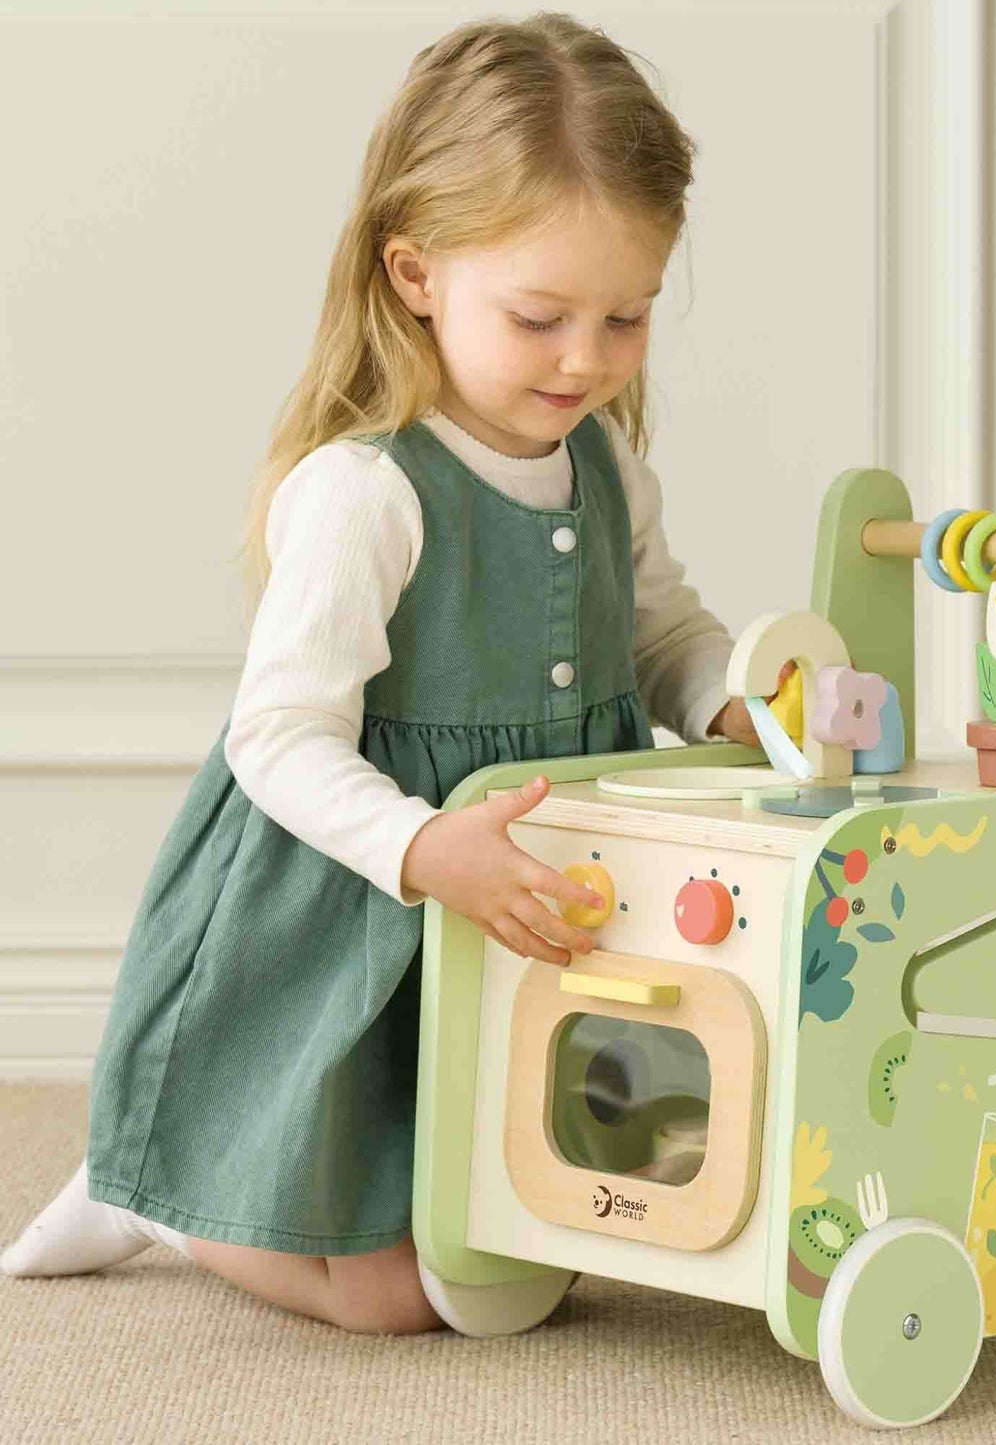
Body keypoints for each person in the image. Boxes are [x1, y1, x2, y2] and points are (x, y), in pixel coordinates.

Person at [2, 12, 778, 1335]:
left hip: (530, 899)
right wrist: (425, 851)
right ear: (416, 274)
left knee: (549, 1225)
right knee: (388, 1298)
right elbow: (280, 739)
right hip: (358, 902)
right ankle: (162, 1192)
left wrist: (729, 698)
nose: (586, 359)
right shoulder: (366, 493)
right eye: (540, 317)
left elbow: (662, 627)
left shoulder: (606, 469)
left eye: (626, 316)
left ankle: (204, 1181)